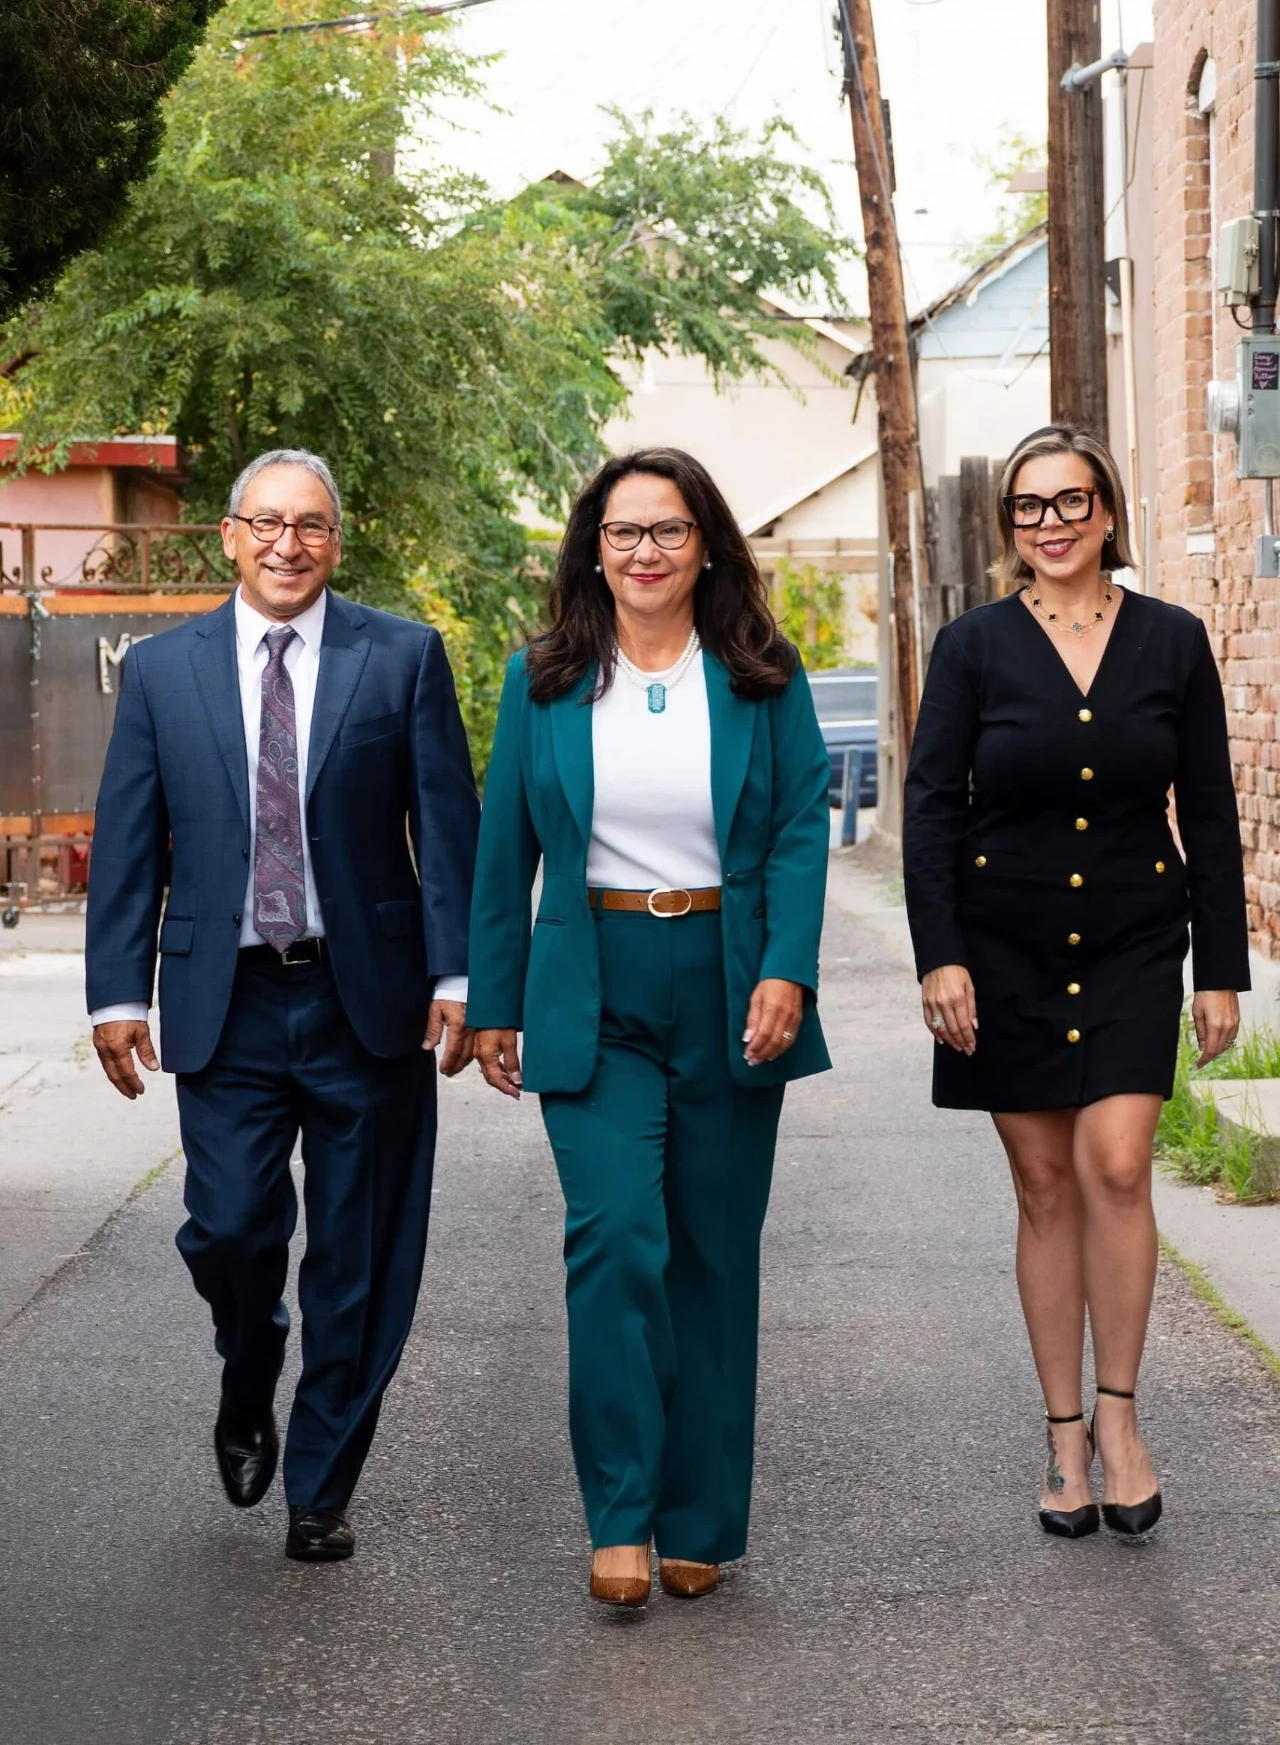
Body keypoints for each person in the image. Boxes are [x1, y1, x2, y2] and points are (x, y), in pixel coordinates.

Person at [87, 448, 479, 1562]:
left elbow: (446, 830)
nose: (286, 544)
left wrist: (457, 977)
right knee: (231, 1230)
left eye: (309, 525)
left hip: (373, 1005)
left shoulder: (400, 657)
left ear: (334, 540)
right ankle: (248, 1364)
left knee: (358, 1254)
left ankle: (321, 1484)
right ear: (229, 535)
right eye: (266, 523)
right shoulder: (164, 673)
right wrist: (117, 990)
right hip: (226, 1001)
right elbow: (128, 842)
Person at [467, 446, 831, 1607]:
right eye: (621, 533)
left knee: (714, 1259)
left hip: (727, 979)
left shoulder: (763, 675)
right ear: (592, 549)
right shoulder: (542, 680)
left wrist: (787, 970)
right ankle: (619, 1512)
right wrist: (494, 1002)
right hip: (593, 983)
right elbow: (501, 857)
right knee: (617, 1240)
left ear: (705, 544)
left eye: (665, 531)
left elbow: (793, 836)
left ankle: (698, 1521)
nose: (642, 553)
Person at [903, 423, 1249, 1540]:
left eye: (1068, 502)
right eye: (1027, 508)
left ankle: (1118, 1421)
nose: (1049, 524)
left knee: (1114, 1161)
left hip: (1134, 939)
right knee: (1043, 1186)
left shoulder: (1171, 641)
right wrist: (939, 952)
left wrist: (1219, 971)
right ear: (1009, 530)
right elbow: (930, 808)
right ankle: (1060, 1436)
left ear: (1106, 512)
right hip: (1001, 946)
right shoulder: (972, 648)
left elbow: (1204, 807)